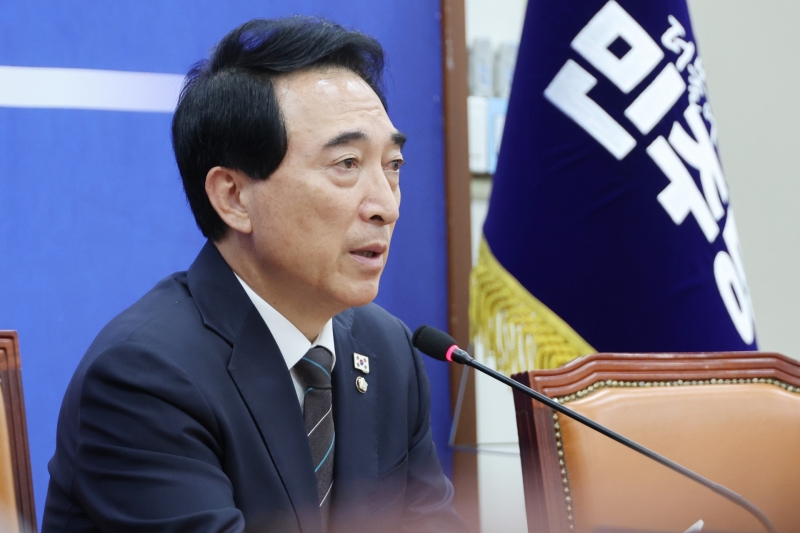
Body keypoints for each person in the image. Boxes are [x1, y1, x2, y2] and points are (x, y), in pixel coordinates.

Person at [42, 16, 467, 533]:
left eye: (393, 165)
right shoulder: (144, 377)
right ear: (234, 198)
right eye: (347, 164)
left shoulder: (387, 350)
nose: (386, 205)